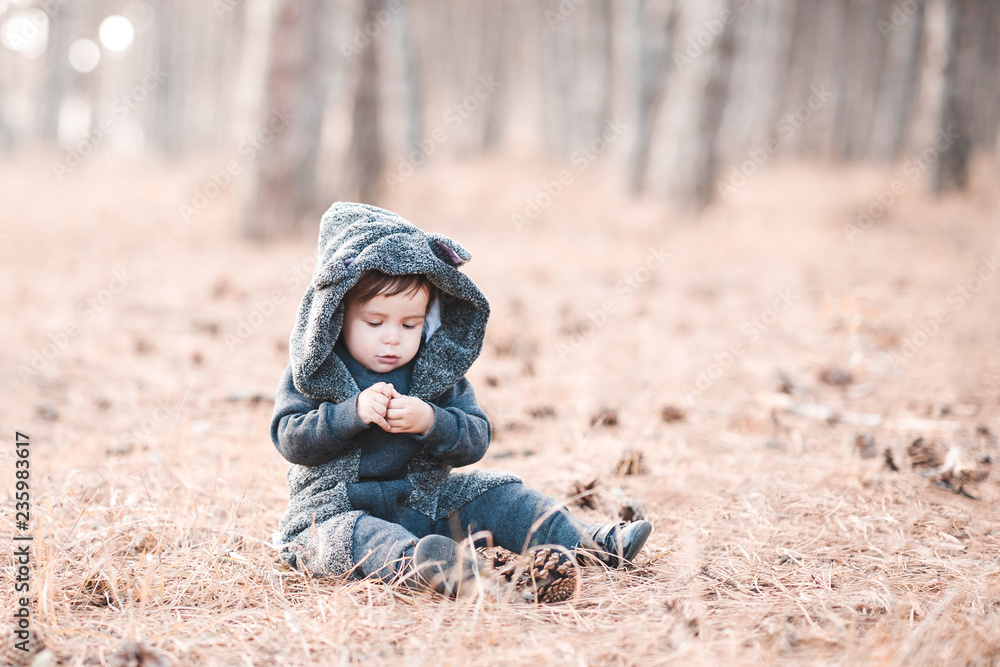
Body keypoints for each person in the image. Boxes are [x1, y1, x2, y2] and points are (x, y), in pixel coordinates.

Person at [270, 202, 652, 596]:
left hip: (426, 501)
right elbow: (289, 438)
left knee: (503, 493)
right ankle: (431, 568)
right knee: (341, 540)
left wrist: (431, 422)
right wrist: (350, 414)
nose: (392, 337)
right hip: (337, 509)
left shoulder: (434, 371)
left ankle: (586, 542)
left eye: (410, 324)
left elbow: (476, 438)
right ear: (336, 314)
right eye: (374, 322)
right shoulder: (315, 371)